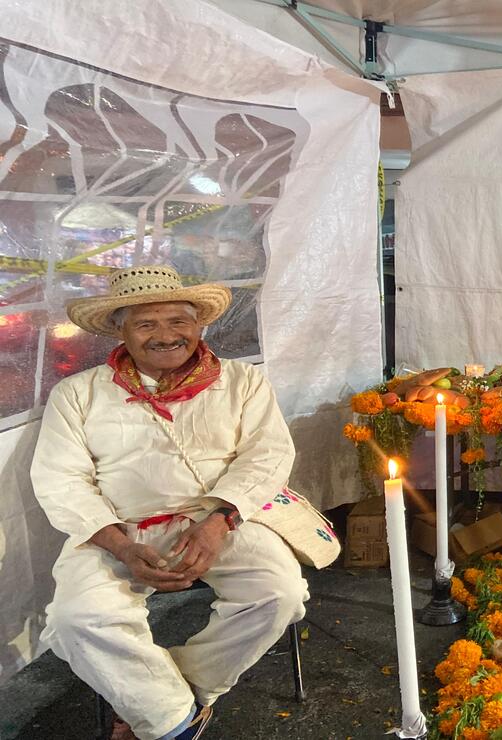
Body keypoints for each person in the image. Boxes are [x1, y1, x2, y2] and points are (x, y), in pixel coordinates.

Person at [31, 266, 305, 740]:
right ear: (120, 329)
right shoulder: (77, 393)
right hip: (117, 530)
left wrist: (219, 521)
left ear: (199, 323)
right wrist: (121, 547)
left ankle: (171, 693)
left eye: (178, 321)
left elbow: (269, 455)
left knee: (278, 592)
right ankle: (175, 720)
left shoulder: (243, 381)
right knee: (76, 616)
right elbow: (61, 480)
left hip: (221, 519)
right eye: (146, 324)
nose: (165, 336)